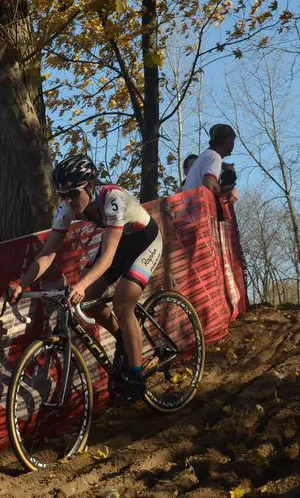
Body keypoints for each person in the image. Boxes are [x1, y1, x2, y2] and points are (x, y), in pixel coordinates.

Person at [18, 154, 162, 403]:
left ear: (90, 186)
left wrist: (82, 284)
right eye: (63, 195)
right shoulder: (66, 209)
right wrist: (21, 283)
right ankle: (122, 339)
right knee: (90, 302)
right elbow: (48, 252)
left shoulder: (113, 199)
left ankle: (136, 376)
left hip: (144, 242)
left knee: (123, 302)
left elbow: (107, 257)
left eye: (73, 193)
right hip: (119, 246)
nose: (68, 200)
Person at [183, 124, 236, 195]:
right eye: (232, 140)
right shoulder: (214, 156)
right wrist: (221, 190)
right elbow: (209, 184)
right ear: (225, 140)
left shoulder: (206, 155)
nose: (233, 144)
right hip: (200, 205)